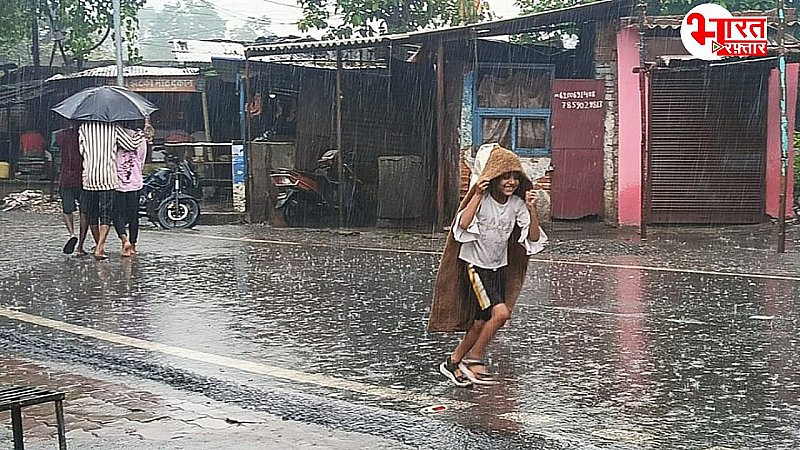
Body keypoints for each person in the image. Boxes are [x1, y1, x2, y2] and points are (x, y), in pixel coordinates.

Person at [429, 145, 547, 387]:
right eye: (505, 176)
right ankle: (474, 358)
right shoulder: (481, 200)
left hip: (498, 268)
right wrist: (476, 195)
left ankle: (452, 363)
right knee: (501, 314)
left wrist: (531, 209)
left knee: (480, 323)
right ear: (494, 178)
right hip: (476, 267)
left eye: (515, 176)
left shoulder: (516, 205)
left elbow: (533, 238)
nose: (511, 182)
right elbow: (461, 226)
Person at [77, 121, 143, 260]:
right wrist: (140, 135)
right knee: (106, 214)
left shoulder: (83, 127)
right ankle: (100, 248)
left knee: (92, 213)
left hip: (89, 176)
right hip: (107, 177)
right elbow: (130, 145)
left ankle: (97, 244)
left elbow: (81, 150)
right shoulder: (113, 128)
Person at [114, 122, 148, 257]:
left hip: (118, 181)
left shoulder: (116, 136)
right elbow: (142, 159)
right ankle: (133, 245)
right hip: (135, 181)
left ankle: (124, 240)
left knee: (117, 214)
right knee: (133, 215)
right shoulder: (141, 138)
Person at [55, 122, 82, 254]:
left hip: (65, 178)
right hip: (82, 178)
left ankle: (72, 234)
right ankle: (81, 244)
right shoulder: (84, 135)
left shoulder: (60, 135)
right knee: (85, 210)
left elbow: (55, 150)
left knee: (67, 209)